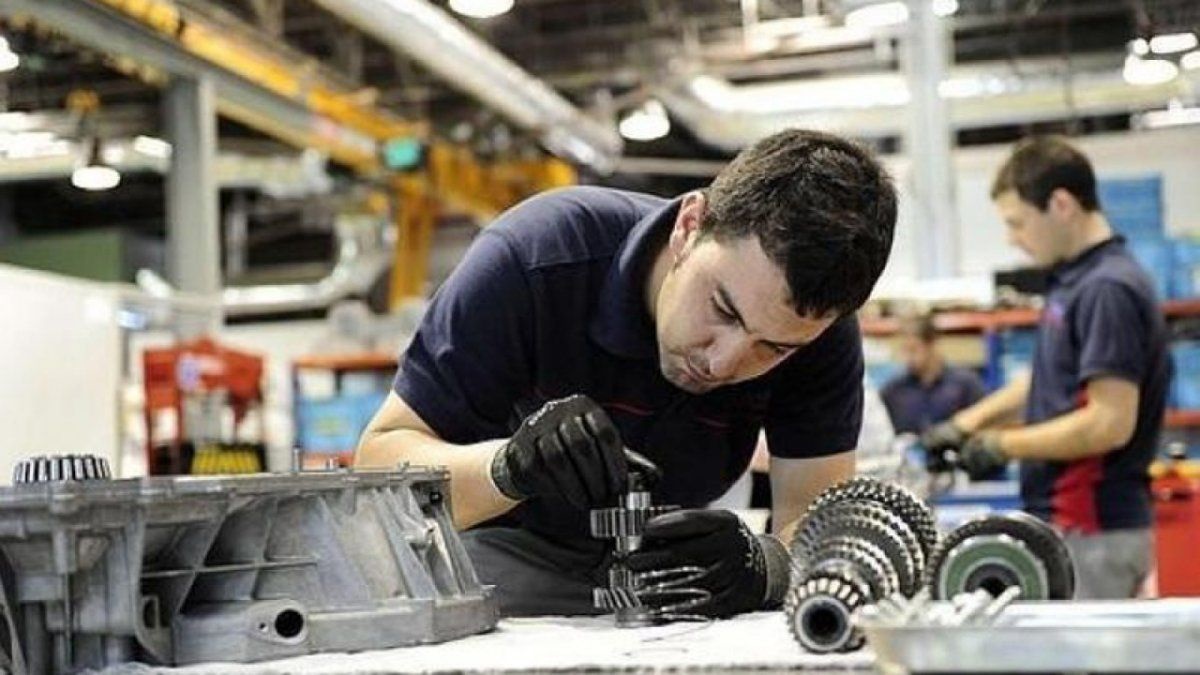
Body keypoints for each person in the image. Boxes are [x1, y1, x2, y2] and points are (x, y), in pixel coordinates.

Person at [357, 129, 898, 618]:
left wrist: (768, 565)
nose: (723, 362)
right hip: (495, 572)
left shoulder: (817, 335)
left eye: (773, 349)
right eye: (723, 310)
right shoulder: (536, 258)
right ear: (689, 227)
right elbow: (378, 474)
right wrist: (508, 468)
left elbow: (816, 520)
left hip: (662, 585)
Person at [922, 135, 1171, 599]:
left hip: (1091, 528)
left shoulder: (1107, 289)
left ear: (1061, 205)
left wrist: (1002, 445)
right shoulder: (1075, 281)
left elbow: (1109, 423)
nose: (1012, 240)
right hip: (1071, 526)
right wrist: (965, 424)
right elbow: (1048, 379)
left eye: (1017, 223)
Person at [881, 314, 986, 436]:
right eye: (904, 350)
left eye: (913, 349)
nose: (908, 358)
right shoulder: (893, 392)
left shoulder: (966, 385)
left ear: (932, 344)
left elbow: (984, 425)